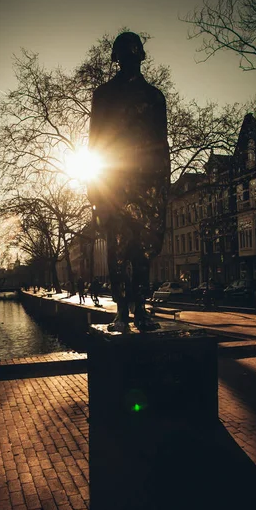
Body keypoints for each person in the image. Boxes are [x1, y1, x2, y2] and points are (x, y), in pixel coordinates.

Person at [88, 31, 170, 332]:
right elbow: (94, 142)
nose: (128, 58)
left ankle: (141, 313)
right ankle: (121, 313)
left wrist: (164, 186)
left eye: (133, 53)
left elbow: (163, 144)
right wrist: (94, 190)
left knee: (144, 252)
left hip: (148, 182)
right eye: (123, 54)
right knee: (118, 250)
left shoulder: (155, 97)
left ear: (141, 56)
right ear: (116, 58)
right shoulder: (104, 95)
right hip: (114, 182)